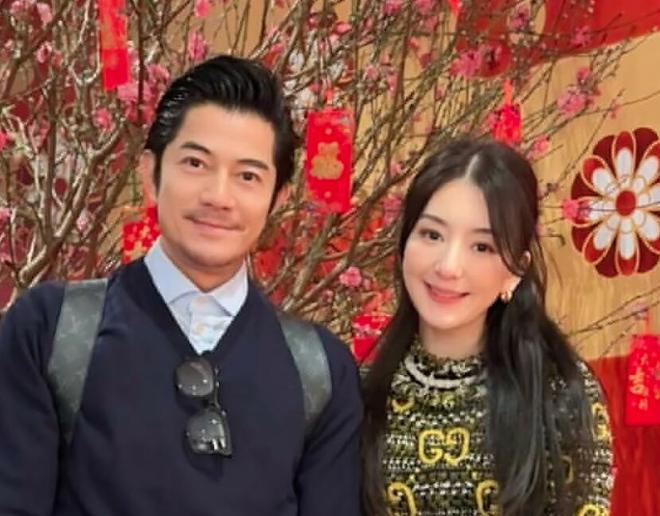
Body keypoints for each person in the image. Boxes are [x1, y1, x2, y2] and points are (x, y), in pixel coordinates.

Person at [0, 55, 362, 516]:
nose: (218, 196)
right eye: (195, 163)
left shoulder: (320, 370)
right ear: (150, 174)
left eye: (248, 176)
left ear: (278, 200)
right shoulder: (53, 331)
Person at [360, 138, 613, 515]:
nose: (448, 267)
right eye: (432, 235)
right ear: (404, 244)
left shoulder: (558, 390)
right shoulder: (361, 391)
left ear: (516, 270)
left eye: (482, 247)